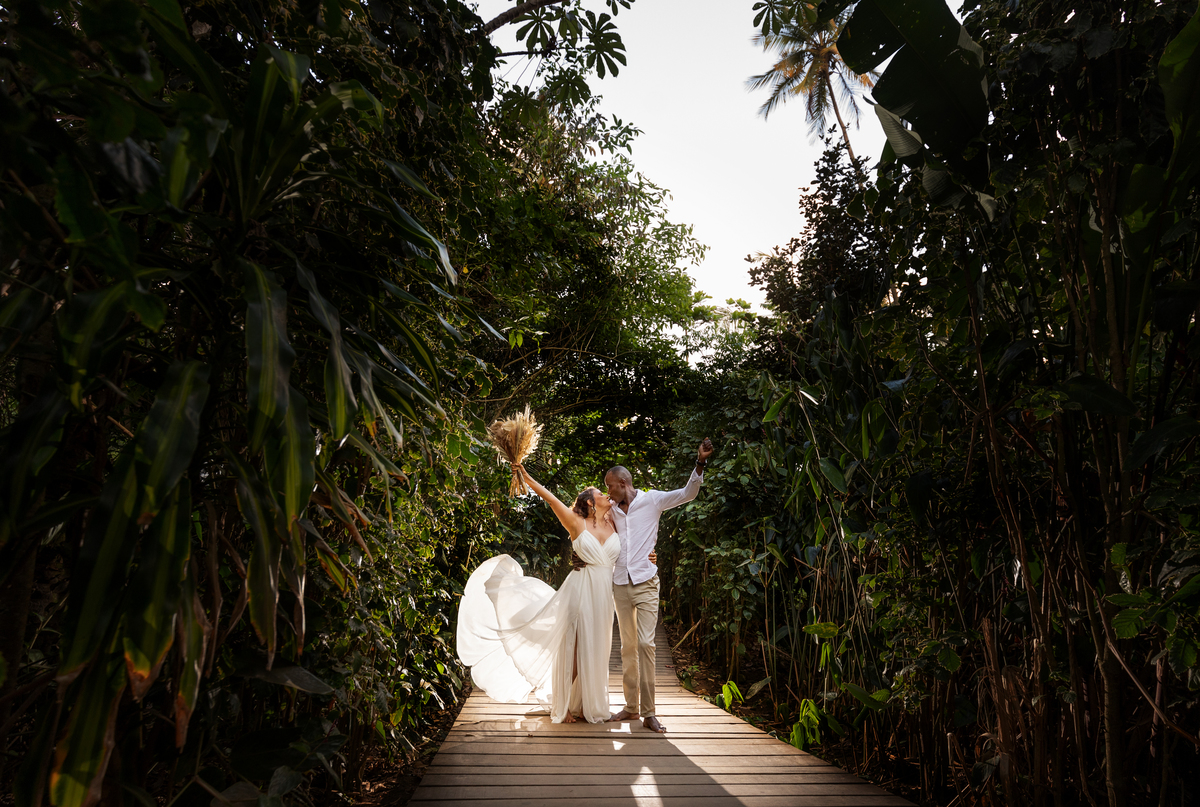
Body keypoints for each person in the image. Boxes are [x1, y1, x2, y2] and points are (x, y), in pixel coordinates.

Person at [456, 465, 621, 723]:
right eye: (600, 493)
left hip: (603, 595)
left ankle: (588, 703)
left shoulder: (614, 522)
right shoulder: (575, 522)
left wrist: (649, 556)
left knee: (598, 647)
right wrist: (526, 476)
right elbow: (551, 499)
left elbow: (634, 544)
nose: (605, 495)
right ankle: (565, 704)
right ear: (590, 502)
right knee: (575, 647)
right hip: (580, 591)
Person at [603, 438, 714, 733]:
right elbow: (588, 525)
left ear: (623, 483)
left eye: (610, 486)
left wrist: (700, 461)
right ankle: (631, 707)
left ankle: (649, 712)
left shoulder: (652, 500)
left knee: (645, 644)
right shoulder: (610, 509)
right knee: (627, 647)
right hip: (619, 583)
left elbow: (688, 493)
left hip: (646, 582)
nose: (608, 491)